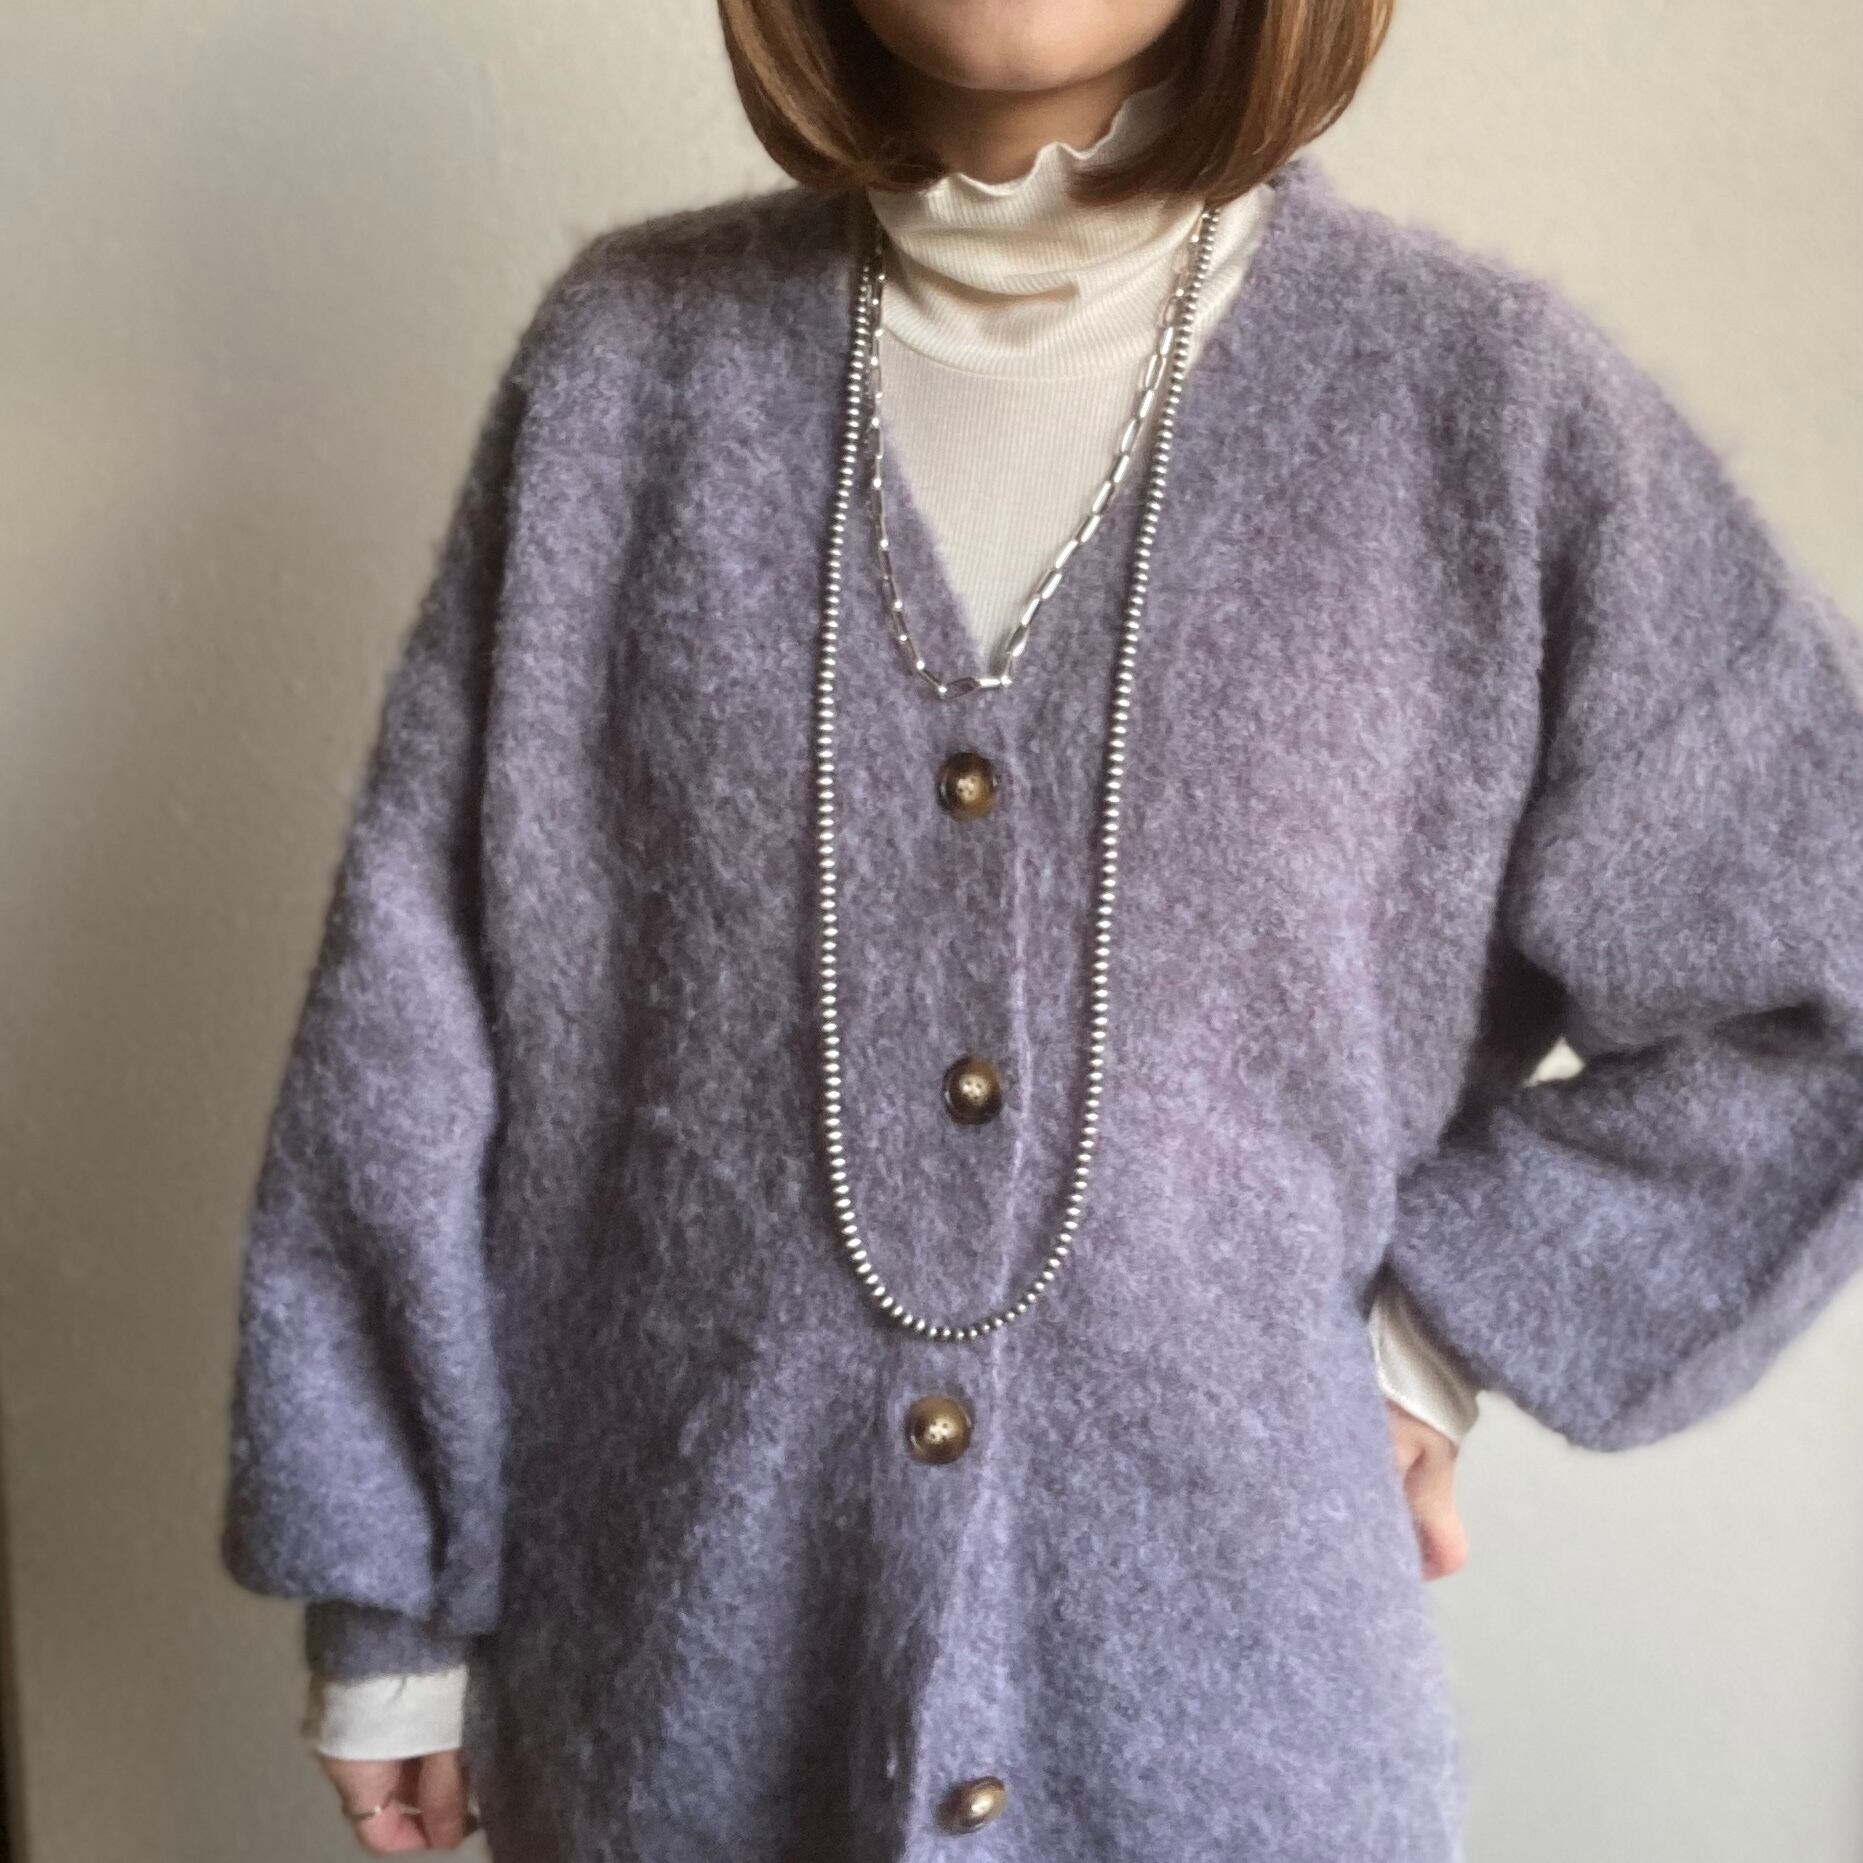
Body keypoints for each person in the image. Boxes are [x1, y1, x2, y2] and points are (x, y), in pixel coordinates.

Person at [218, 0, 1863, 1856]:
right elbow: (411, 1021)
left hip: (1232, 1754)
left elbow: (1827, 949)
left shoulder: (1487, 415)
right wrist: (389, 1595)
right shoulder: (627, 382)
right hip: (684, 1718)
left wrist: (1441, 1329)